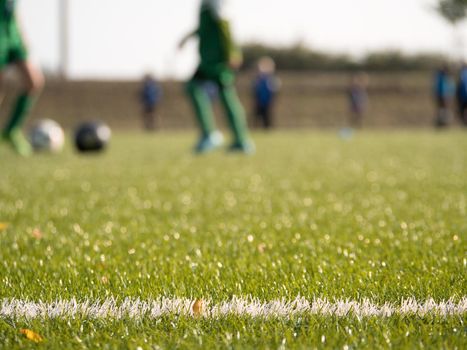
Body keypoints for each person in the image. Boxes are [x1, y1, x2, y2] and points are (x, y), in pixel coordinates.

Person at [179, 0, 254, 154]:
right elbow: (206, 28)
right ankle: (215, 135)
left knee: (227, 96)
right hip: (207, 60)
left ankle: (240, 140)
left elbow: (224, 25)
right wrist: (188, 37)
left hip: (218, 61)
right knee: (194, 88)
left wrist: (233, 53)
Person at [0, 0, 44, 156]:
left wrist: (21, 34)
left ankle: (11, 130)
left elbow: (12, 9)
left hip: (13, 34)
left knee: (34, 81)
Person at [252, 56, 280, 129]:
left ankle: (268, 129)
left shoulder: (271, 79)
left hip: (267, 102)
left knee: (267, 117)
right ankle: (256, 129)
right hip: (259, 101)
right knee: (257, 117)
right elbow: (254, 90)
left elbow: (274, 91)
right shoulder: (258, 79)